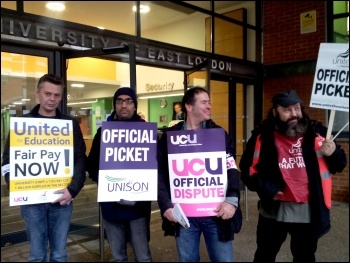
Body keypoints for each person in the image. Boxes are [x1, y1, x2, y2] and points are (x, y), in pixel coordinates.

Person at [239, 89, 347, 262]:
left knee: (304, 256)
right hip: (274, 208)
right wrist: (269, 190)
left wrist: (333, 152)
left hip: (307, 209)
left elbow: (339, 165)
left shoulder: (317, 132)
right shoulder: (262, 136)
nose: (294, 114)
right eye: (287, 110)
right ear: (275, 112)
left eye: (296, 108)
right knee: (265, 254)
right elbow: (246, 169)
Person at [1, 73, 87, 262]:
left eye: (56, 95)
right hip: (32, 202)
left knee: (59, 255)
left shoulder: (70, 124)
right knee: (37, 256)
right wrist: (16, 185)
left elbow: (80, 159)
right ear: (38, 93)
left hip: (61, 199)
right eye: (48, 94)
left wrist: (72, 190)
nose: (52, 99)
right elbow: (7, 161)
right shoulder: (22, 125)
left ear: (61, 96)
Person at [157, 87, 242, 262]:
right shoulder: (169, 138)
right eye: (204, 102)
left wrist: (232, 201)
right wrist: (165, 205)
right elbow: (160, 174)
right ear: (189, 106)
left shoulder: (218, 135)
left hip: (216, 213)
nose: (209, 106)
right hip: (183, 215)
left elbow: (231, 168)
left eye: (209, 102)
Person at [87, 87, 153, 262]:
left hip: (138, 206)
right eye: (119, 101)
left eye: (128, 101)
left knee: (143, 255)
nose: (124, 105)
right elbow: (92, 165)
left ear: (134, 105)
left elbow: (156, 166)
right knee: (117, 256)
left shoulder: (146, 132)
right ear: (115, 105)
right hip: (111, 205)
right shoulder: (103, 133)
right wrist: (108, 184)